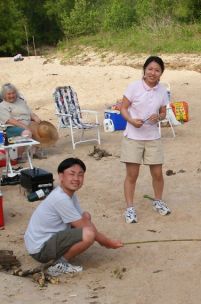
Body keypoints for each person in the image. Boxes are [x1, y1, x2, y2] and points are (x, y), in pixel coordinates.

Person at [24, 158, 123, 276]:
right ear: (61, 176)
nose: (76, 179)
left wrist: (103, 240)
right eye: (72, 174)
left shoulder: (68, 193)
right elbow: (87, 229)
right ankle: (59, 264)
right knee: (88, 234)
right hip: (40, 249)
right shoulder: (60, 198)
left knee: (86, 216)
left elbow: (84, 219)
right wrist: (108, 243)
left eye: (80, 175)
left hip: (42, 241)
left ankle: (61, 256)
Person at [120, 56, 171, 224]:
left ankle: (158, 201)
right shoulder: (134, 87)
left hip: (153, 137)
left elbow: (164, 112)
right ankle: (130, 208)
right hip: (133, 137)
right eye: (150, 69)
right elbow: (123, 108)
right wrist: (131, 121)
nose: (153, 73)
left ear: (161, 73)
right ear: (144, 70)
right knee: (132, 175)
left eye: (157, 70)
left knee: (157, 173)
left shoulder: (162, 90)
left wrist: (159, 117)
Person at [0, 83, 43, 157]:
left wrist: (36, 118)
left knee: (40, 129)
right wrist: (24, 126)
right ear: (4, 95)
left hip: (26, 124)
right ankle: (18, 156)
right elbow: (9, 120)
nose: (12, 96)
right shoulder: (2, 106)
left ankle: (34, 152)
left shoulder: (20, 101)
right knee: (27, 133)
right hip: (10, 128)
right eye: (9, 94)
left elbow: (30, 113)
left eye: (13, 93)